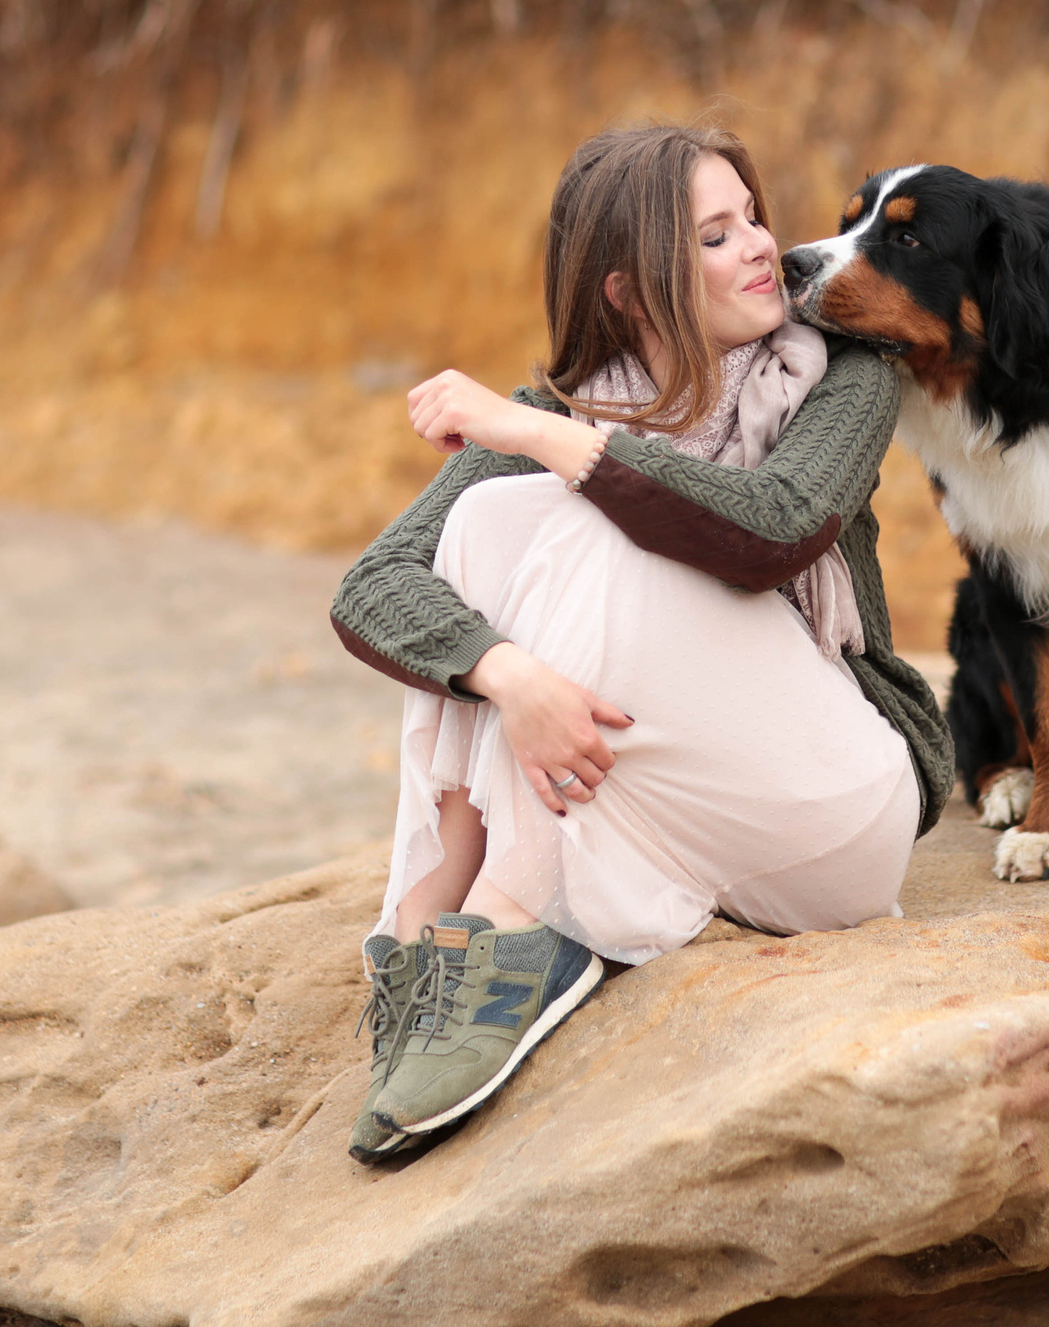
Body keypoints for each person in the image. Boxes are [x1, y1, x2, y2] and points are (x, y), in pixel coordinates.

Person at [329, 122, 952, 1163]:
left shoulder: (840, 373)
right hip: (667, 787)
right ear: (627, 291)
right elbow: (372, 588)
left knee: (581, 514)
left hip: (831, 805)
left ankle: (511, 917)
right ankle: (437, 923)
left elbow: (772, 528)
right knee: (486, 528)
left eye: (750, 216)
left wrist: (546, 440)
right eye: (715, 236)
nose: (763, 245)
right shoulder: (573, 401)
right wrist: (510, 676)